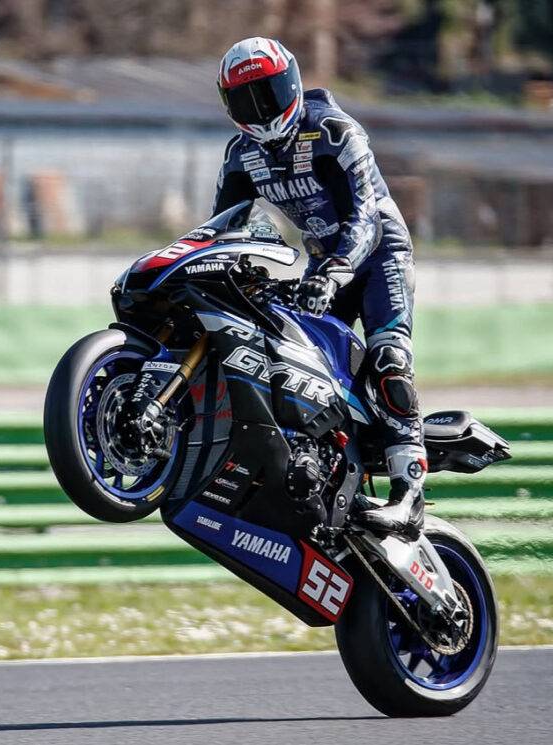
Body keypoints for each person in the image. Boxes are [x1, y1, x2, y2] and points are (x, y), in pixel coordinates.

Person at [212, 36, 426, 535]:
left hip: (377, 254)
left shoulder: (334, 131)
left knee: (388, 359)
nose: (261, 110)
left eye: (268, 93)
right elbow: (221, 231)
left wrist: (334, 271)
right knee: (294, 362)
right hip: (322, 266)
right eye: (247, 100)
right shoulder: (240, 155)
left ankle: (409, 493)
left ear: (291, 83)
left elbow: (366, 217)